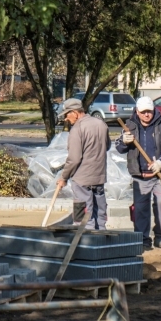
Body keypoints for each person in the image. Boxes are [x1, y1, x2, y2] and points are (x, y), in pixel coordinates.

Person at [116, 96, 161, 249]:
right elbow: (118, 146)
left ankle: (160, 235)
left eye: (149, 112)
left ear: (153, 110)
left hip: (160, 174)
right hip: (140, 175)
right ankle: (143, 239)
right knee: (140, 209)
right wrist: (124, 140)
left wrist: (160, 162)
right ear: (137, 111)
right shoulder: (129, 126)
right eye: (143, 112)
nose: (146, 115)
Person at [56, 97, 111, 230]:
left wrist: (64, 177)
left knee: (83, 217)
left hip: (82, 179)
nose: (66, 119)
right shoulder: (101, 124)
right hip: (99, 176)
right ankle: (100, 243)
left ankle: (85, 243)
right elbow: (107, 146)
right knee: (100, 213)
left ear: (75, 112)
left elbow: (74, 158)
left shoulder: (77, 129)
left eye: (67, 115)